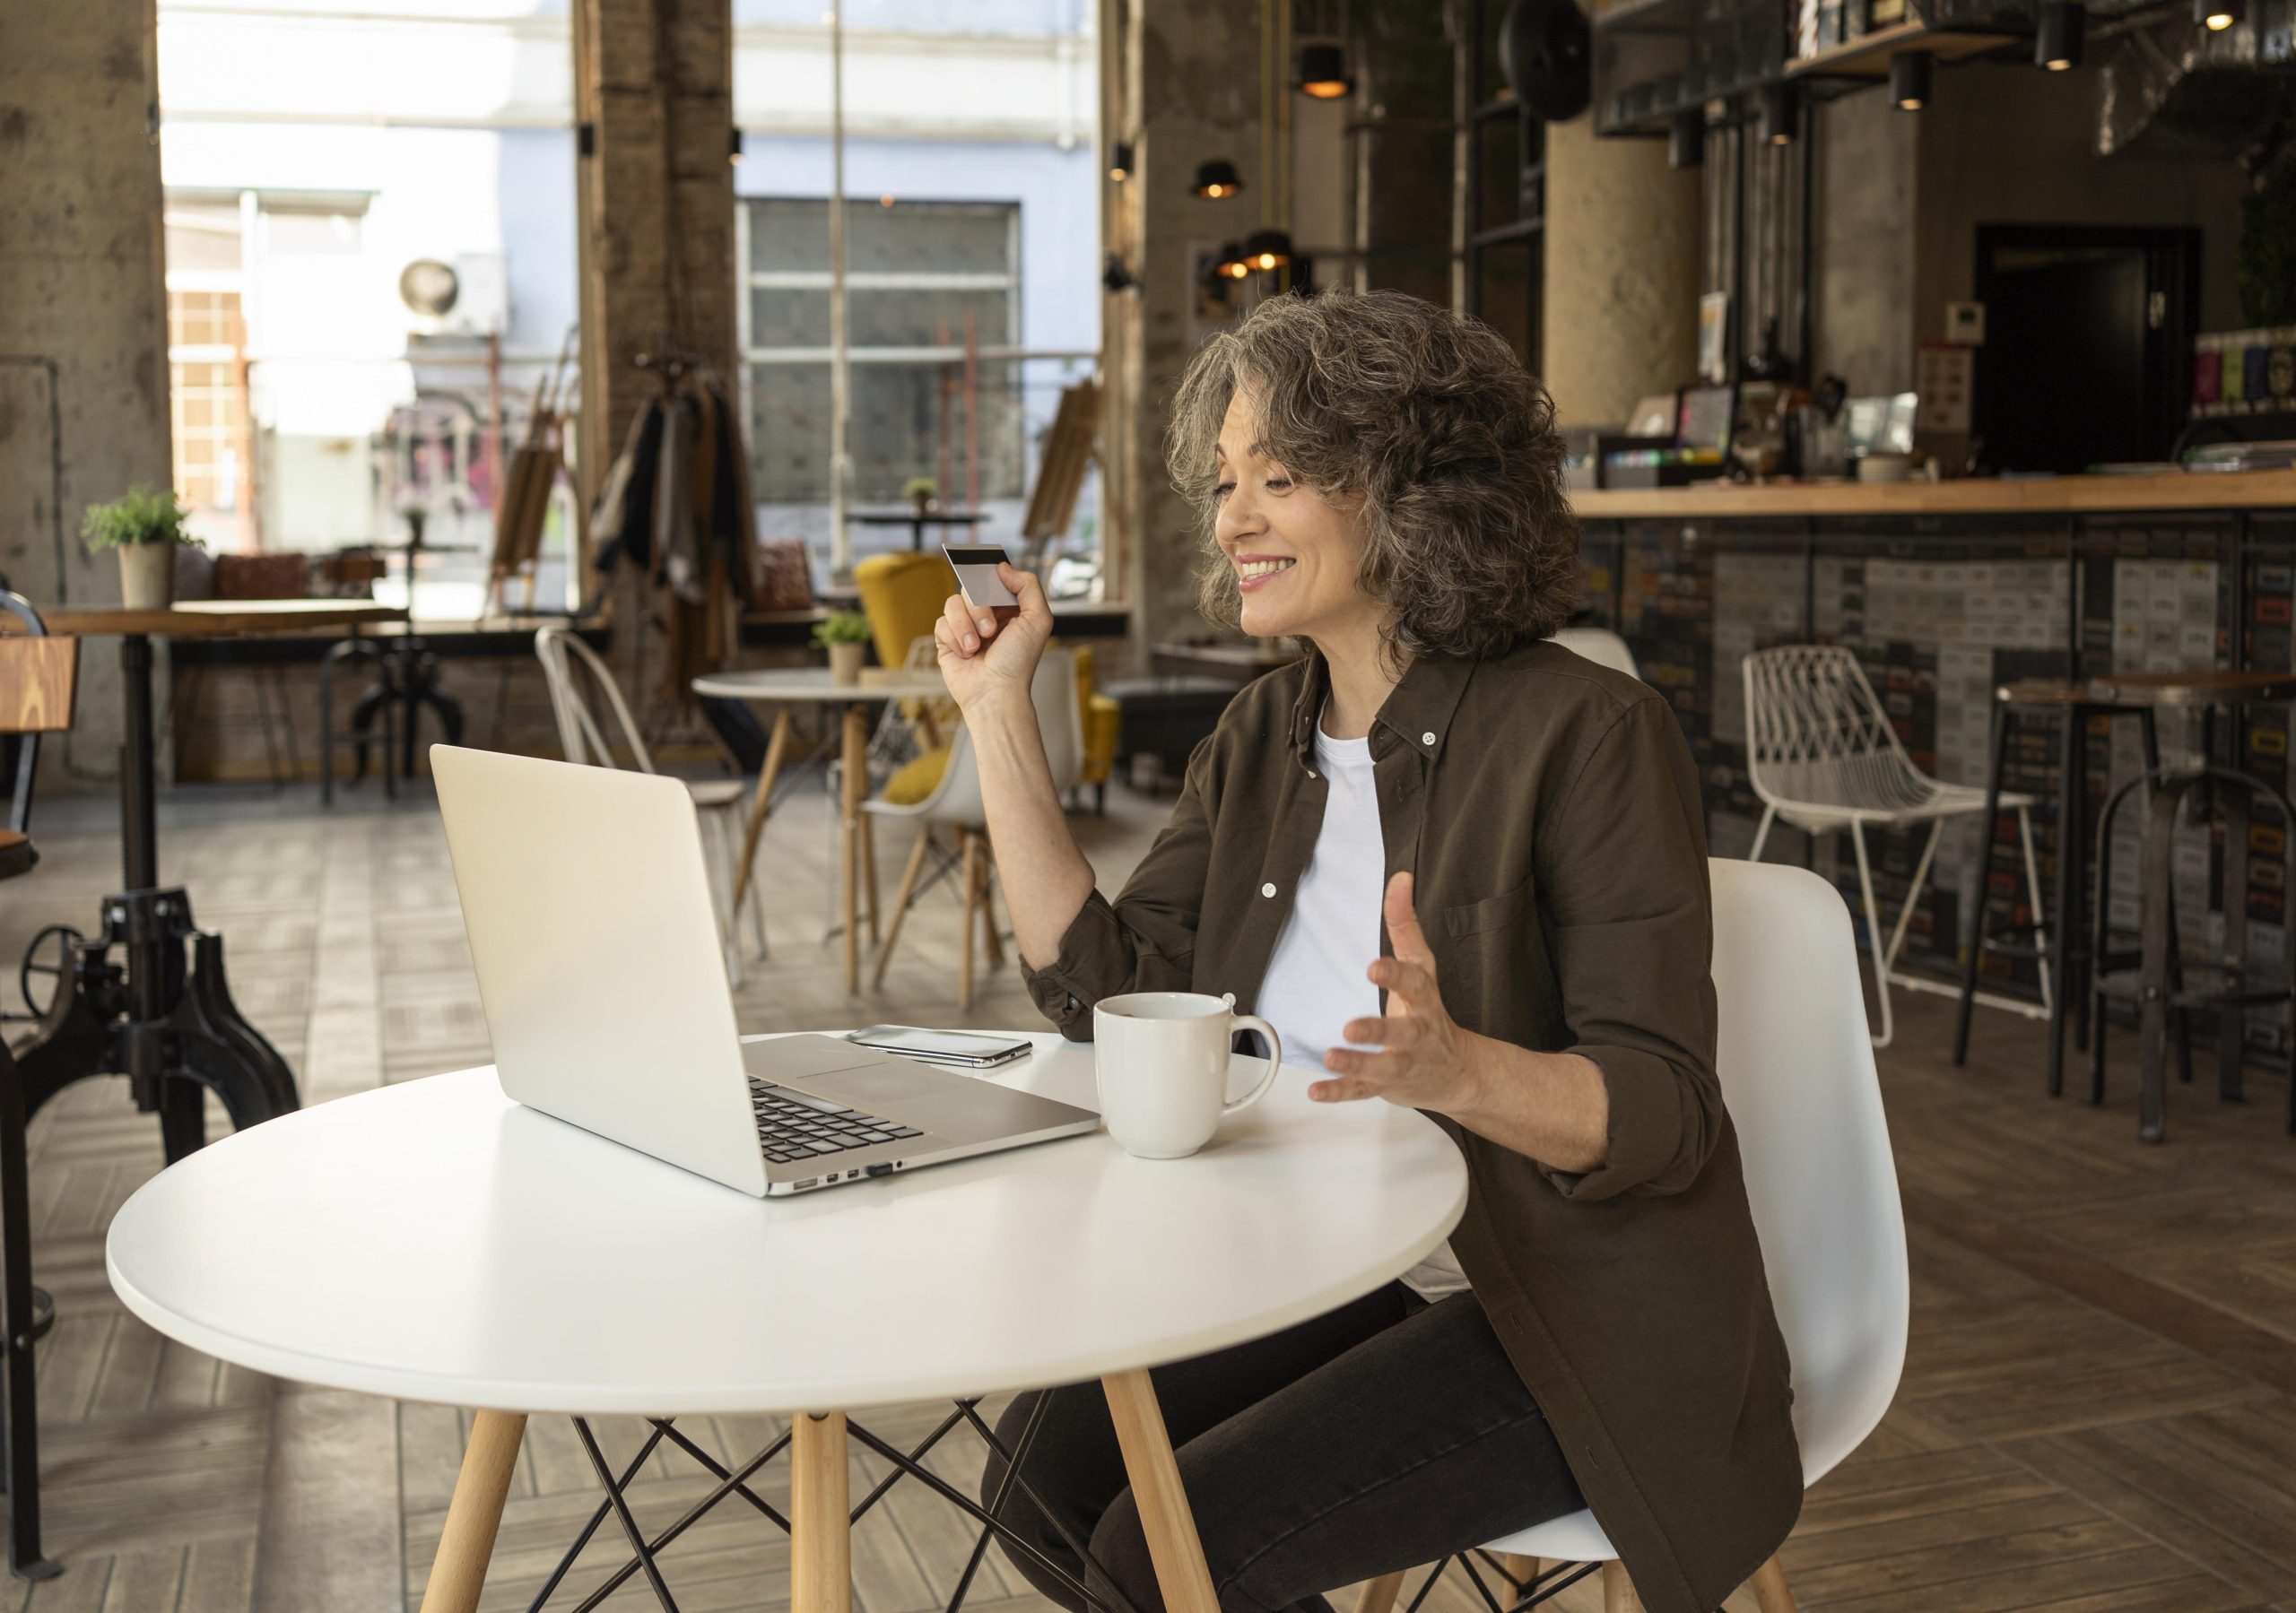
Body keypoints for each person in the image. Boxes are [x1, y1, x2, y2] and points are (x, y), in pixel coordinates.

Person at [937, 291, 1799, 1613]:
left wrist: (1464, 1073)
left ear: (1415, 495)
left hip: (1557, 1309)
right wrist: (1000, 710)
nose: (1230, 520)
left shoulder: (1590, 731)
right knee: (1038, 1490)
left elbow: (1669, 1115)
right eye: (1227, 481)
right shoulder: (1258, 735)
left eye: (1279, 478)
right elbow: (1106, 996)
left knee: (1151, 1557)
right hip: (1335, 1264)